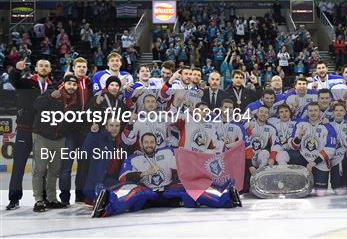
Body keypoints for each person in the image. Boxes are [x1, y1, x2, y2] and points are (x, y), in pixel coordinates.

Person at [91, 133, 241, 218]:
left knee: (191, 188)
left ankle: (226, 198)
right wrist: (145, 173)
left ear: (156, 143)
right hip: (147, 191)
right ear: (141, 144)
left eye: (152, 142)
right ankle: (106, 205)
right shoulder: (133, 158)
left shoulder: (167, 152)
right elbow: (124, 178)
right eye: (146, 142)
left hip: (169, 189)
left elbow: (188, 161)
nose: (149, 144)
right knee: (133, 191)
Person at [6, 58, 52, 211]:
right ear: (36, 68)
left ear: (50, 69)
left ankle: (42, 197)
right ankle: (14, 199)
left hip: (44, 133)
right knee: (19, 166)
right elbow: (14, 81)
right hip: (25, 131)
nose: (44, 68)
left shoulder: (53, 87)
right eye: (41, 65)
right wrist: (17, 70)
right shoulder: (26, 83)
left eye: (46, 66)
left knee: (42, 168)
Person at [32, 75, 80, 212]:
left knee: (54, 170)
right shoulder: (51, 93)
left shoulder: (75, 102)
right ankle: (39, 200)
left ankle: (52, 199)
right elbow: (36, 105)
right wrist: (51, 97)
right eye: (69, 83)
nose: (71, 86)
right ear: (63, 84)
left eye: (74, 85)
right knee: (40, 169)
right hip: (42, 136)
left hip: (59, 139)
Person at [59, 57, 93, 204]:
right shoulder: (68, 82)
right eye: (78, 66)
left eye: (84, 67)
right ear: (74, 67)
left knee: (83, 164)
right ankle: (65, 197)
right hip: (70, 130)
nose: (81, 69)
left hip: (85, 130)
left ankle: (80, 195)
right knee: (66, 164)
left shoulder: (89, 82)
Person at [288, 102, 337, 196]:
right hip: (303, 159)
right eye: (310, 110)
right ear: (307, 112)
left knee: (320, 194)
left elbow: (330, 149)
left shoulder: (328, 127)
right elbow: (292, 146)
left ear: (320, 112)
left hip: (320, 163)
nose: (313, 113)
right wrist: (299, 136)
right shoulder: (300, 124)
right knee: (284, 155)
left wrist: (314, 162)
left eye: (315, 110)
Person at [82, 119, 126, 204]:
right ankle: (100, 199)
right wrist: (92, 134)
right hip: (96, 184)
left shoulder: (121, 143)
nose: (114, 128)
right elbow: (84, 153)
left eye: (117, 126)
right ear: (106, 127)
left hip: (112, 182)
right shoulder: (98, 139)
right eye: (111, 125)